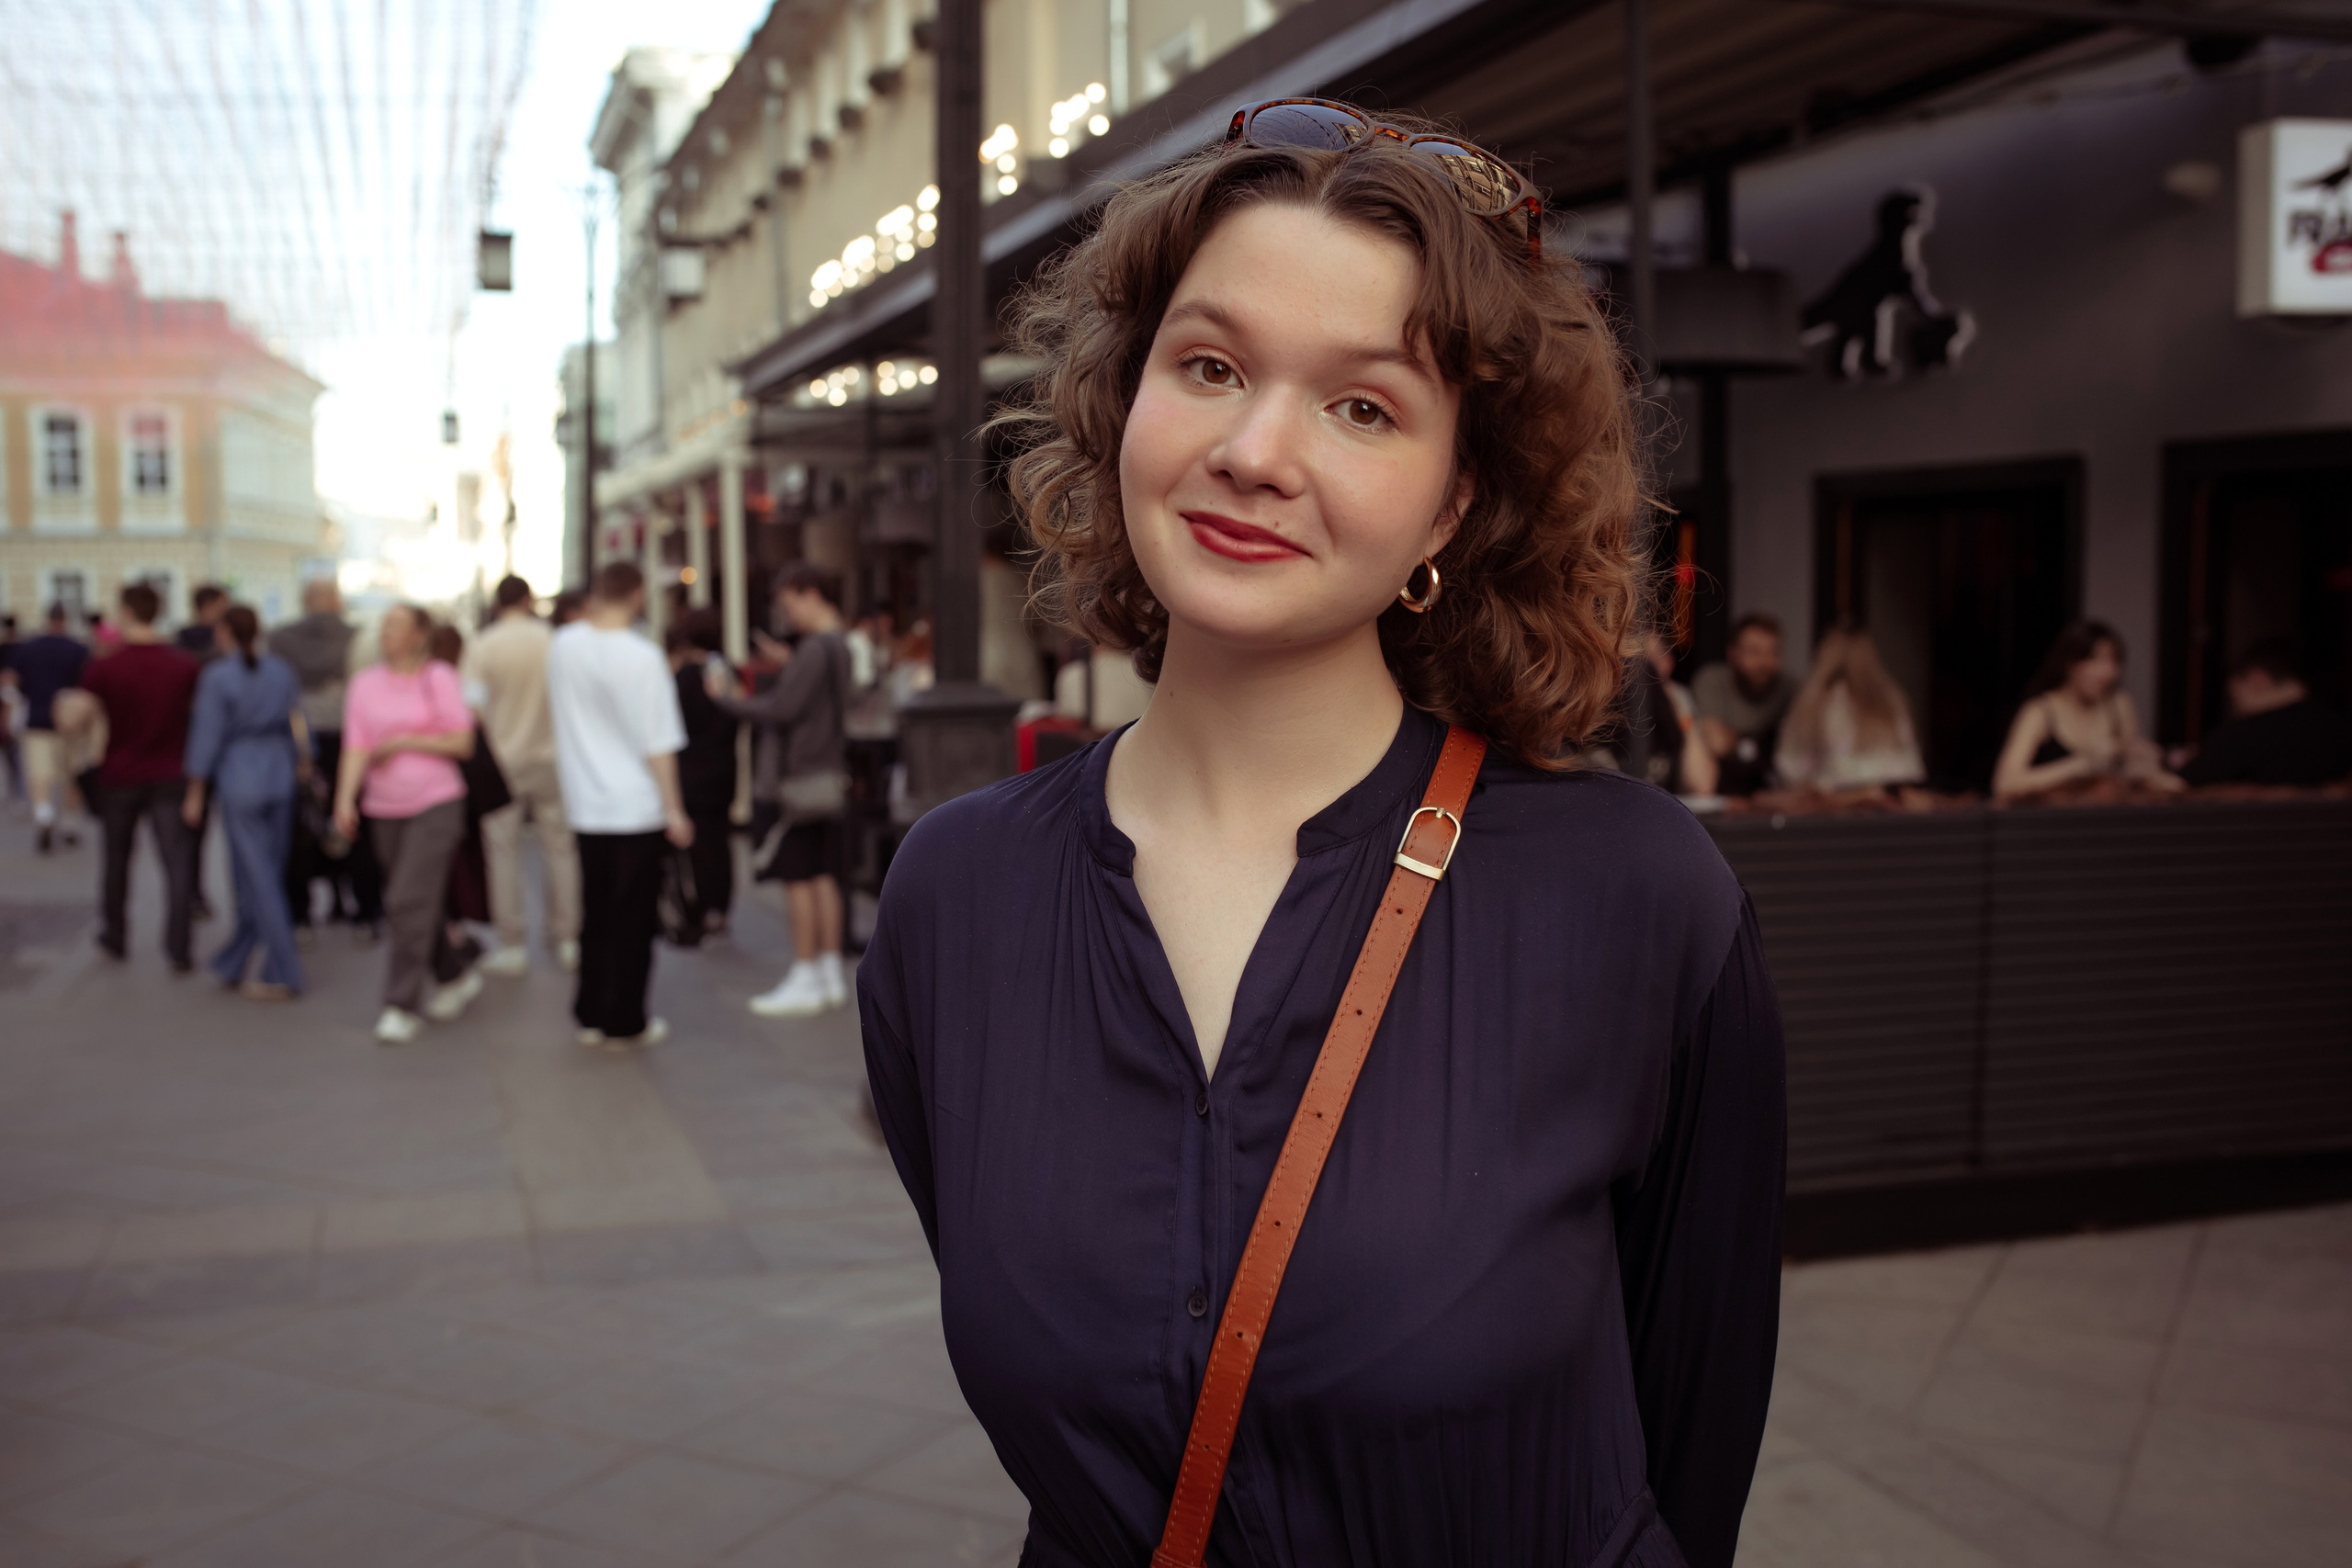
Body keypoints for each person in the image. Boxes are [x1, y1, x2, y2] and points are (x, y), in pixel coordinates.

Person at [859, 103, 1785, 1568]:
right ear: (1124, 405)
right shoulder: (956, 892)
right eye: (1210, 366)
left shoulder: (1636, 894)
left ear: (1452, 503)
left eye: (1364, 406)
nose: (1255, 450)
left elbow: (1699, 1417)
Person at [547, 561, 693, 1048]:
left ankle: (589, 1011)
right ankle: (624, 1018)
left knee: (597, 912)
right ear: (636, 595)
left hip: (587, 803)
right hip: (637, 806)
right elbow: (659, 742)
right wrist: (675, 809)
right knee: (633, 920)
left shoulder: (564, 646)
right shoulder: (644, 657)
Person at [334, 604, 479, 1043]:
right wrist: (344, 799)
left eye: (395, 626)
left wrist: (404, 740)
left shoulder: (440, 678)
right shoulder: (364, 684)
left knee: (407, 899)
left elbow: (463, 741)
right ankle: (453, 974)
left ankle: (400, 1004)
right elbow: (356, 744)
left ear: (419, 635)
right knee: (413, 901)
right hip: (383, 806)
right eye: (384, 625)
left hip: (435, 803)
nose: (385, 633)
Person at [725, 565, 855, 1016]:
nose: (788, 614)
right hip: (826, 773)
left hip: (801, 776)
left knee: (799, 876)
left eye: (789, 603)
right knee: (823, 876)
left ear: (810, 594)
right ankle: (828, 970)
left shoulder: (818, 648)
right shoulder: (840, 644)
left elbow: (783, 709)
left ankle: (805, 971)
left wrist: (727, 699)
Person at [183, 604, 307, 998]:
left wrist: (195, 791)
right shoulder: (279, 670)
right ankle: (233, 960)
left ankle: (283, 969)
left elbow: (206, 736)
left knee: (258, 879)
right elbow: (298, 721)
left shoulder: (218, 677)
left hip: (241, 778)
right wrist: (304, 760)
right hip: (280, 776)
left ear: (224, 633)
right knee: (262, 873)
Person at [77, 583, 200, 968]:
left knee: (116, 861)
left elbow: (78, 717)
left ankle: (116, 936)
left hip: (120, 773)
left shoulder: (106, 666)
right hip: (170, 772)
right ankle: (179, 948)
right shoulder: (184, 665)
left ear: (126, 612)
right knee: (177, 862)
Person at [464, 574, 581, 976]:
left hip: (501, 761)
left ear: (497, 604)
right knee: (561, 848)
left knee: (502, 850)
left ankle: (512, 943)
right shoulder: (555, 641)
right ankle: (567, 936)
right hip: (553, 757)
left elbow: (473, 709)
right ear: (529, 600)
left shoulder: (483, 645)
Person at [272, 580, 377, 936]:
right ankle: (364, 910)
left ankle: (301, 914)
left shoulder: (282, 639)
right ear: (336, 601)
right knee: (354, 823)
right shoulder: (358, 638)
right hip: (350, 737)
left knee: (302, 827)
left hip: (302, 740)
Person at [1993, 619, 2178, 801]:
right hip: (2053, 820)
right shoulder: (2040, 711)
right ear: (2069, 662)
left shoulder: (2118, 705)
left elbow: (2132, 768)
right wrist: (2084, 765)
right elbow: (2006, 784)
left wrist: (2148, 765)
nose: (2107, 672)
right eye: (2095, 659)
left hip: (2105, 818)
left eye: (2114, 661)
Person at [2177, 639, 2352, 787]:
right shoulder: (2340, 727)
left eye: (2234, 697)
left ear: (2258, 680)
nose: (2235, 708)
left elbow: (2181, 784)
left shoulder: (2244, 734)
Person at [1774, 626, 1927, 791]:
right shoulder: (1891, 700)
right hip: (1885, 796)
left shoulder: (1815, 702)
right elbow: (1909, 763)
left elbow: (1790, 765)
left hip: (1838, 799)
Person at [667, 609, 740, 936]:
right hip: (724, 769)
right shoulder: (727, 671)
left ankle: (701, 905)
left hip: (692, 772)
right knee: (719, 840)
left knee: (697, 844)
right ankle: (719, 908)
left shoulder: (683, 678)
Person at [6, 604, 91, 852]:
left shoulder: (29, 648)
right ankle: (70, 824)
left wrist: (14, 709)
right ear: (65, 620)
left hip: (37, 720)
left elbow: (12, 683)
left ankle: (44, 815)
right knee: (71, 775)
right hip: (71, 723)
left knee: (39, 776)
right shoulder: (78, 649)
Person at [1691, 612, 1792, 795]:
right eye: (1755, 652)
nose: (1765, 662)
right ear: (1733, 653)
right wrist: (1760, 742)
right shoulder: (1713, 680)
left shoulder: (1789, 689)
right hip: (1721, 791)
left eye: (1773, 652)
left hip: (1772, 792)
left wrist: (1737, 740)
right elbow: (1718, 743)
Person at [175, 583, 229, 662]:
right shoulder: (221, 638)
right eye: (221, 606)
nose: (225, 611)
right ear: (207, 606)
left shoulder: (181, 637)